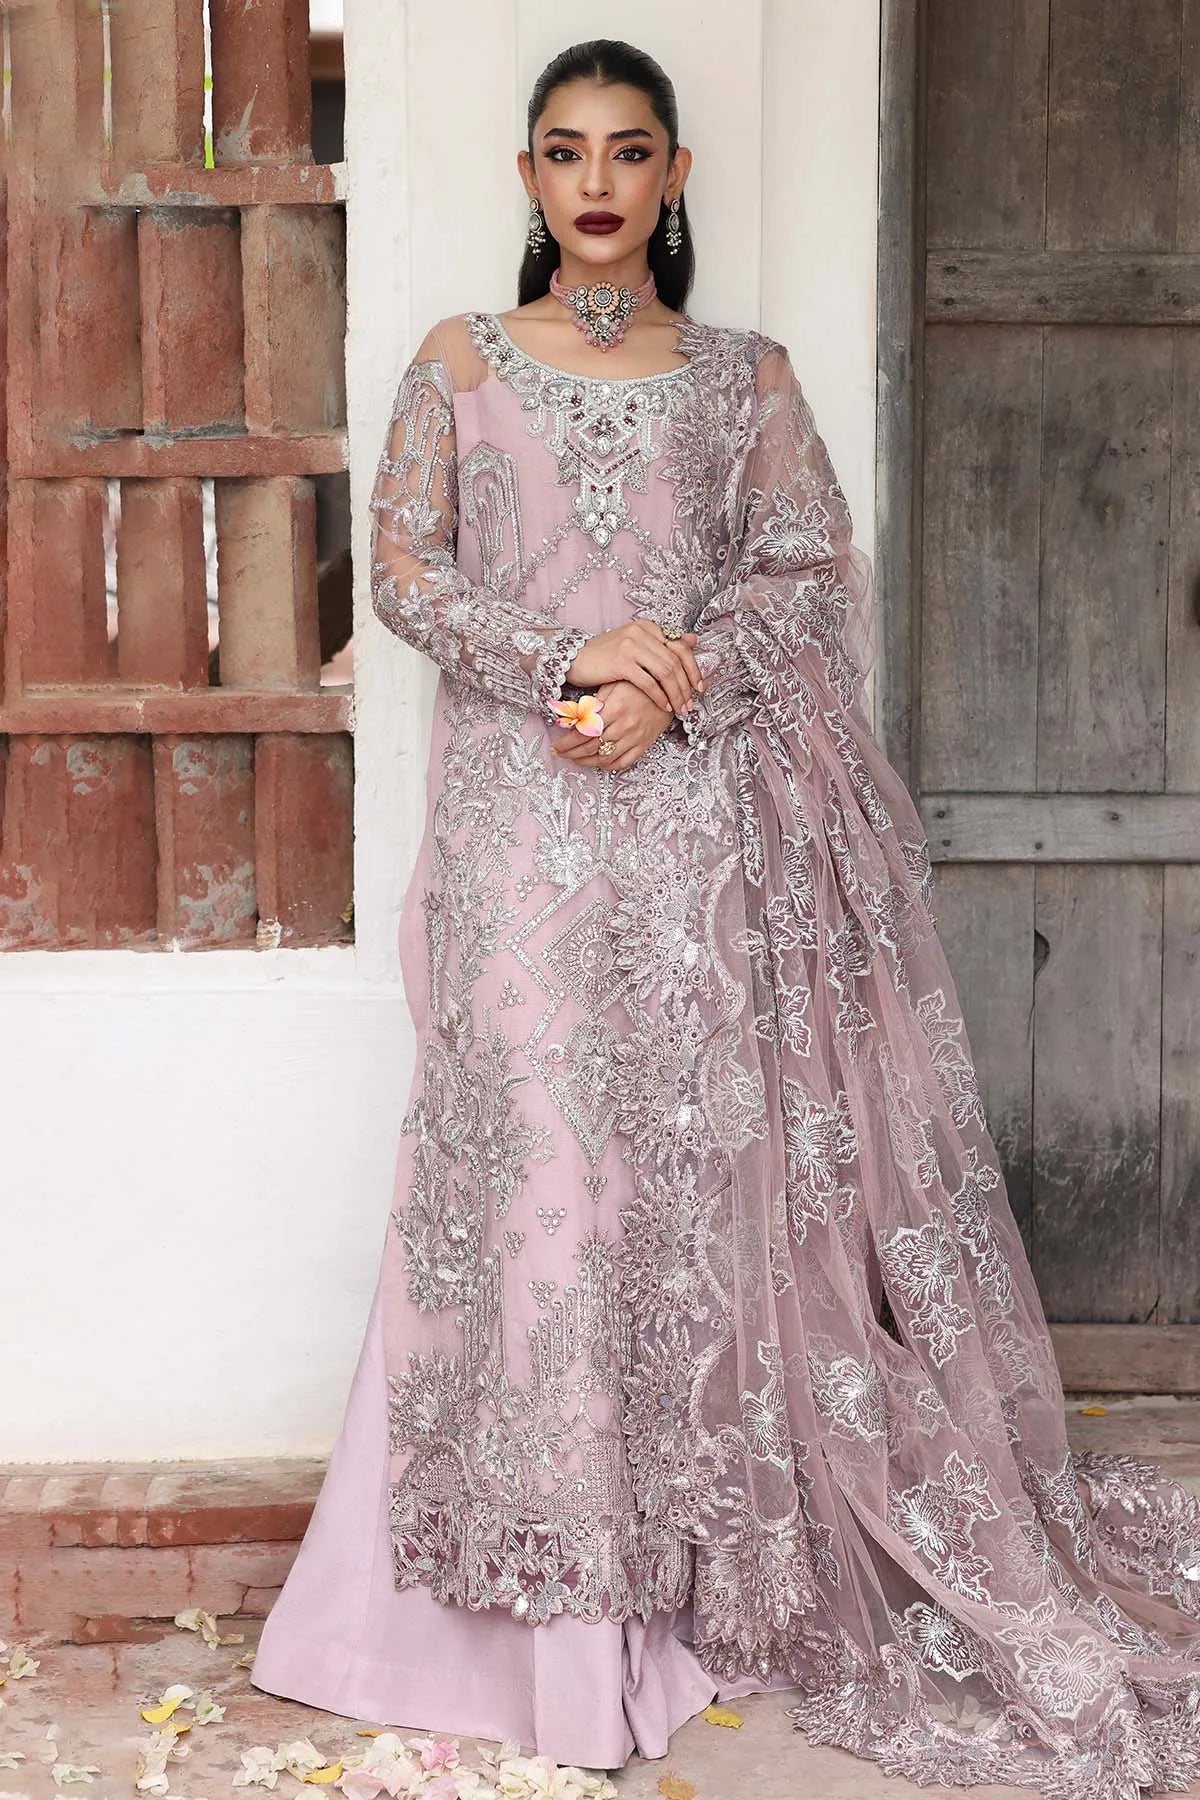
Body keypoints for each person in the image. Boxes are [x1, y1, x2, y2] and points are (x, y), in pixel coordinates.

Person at [250, 37, 1200, 1797]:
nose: (596, 181)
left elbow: (802, 580)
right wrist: (566, 660)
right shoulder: (456, 362)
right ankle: (498, 1608)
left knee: (671, 1191)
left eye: (629, 152)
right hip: (517, 837)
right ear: (528, 179)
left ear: (675, 176)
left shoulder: (744, 381)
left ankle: (668, 1588)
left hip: (689, 842)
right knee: (523, 1180)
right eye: (563, 151)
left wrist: (666, 686)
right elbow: (401, 571)